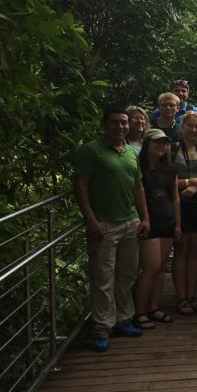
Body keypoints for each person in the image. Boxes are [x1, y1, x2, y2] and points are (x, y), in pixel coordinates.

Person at [73, 107, 150, 352]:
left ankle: (123, 319)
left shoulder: (130, 151)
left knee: (127, 275)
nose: (121, 127)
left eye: (124, 123)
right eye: (115, 123)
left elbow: (138, 187)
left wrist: (144, 217)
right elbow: (81, 187)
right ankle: (102, 327)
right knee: (103, 277)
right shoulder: (90, 151)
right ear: (104, 125)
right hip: (104, 223)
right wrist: (91, 220)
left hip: (130, 221)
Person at [133, 128, 180, 330]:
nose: (161, 146)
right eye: (157, 142)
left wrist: (178, 223)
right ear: (147, 144)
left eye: (164, 143)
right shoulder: (138, 168)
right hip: (149, 222)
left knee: (161, 267)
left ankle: (154, 307)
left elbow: (175, 197)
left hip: (167, 220)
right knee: (150, 268)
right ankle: (139, 311)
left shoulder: (170, 169)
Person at [171, 112, 197, 316]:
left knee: (195, 251)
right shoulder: (172, 148)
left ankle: (191, 294)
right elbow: (163, 177)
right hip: (178, 205)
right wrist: (189, 182)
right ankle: (181, 297)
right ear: (183, 126)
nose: (195, 130)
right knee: (181, 251)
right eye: (191, 126)